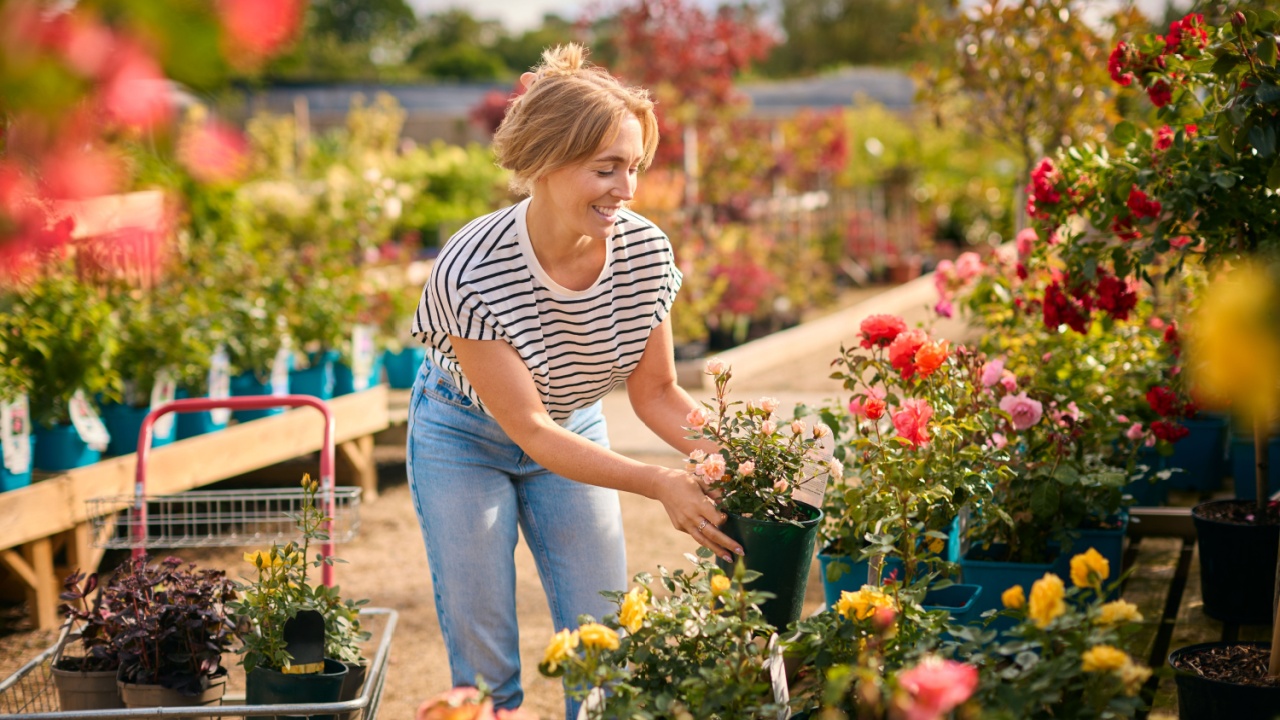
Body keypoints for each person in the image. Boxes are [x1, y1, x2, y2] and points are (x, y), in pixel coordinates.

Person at [405, 43, 742, 719]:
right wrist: (657, 481)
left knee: (605, 648)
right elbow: (526, 428)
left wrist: (736, 456)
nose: (627, 189)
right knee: (485, 657)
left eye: (634, 167)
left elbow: (656, 394)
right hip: (463, 438)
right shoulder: (471, 268)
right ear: (547, 163)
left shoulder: (643, 252)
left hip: (575, 426)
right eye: (606, 169)